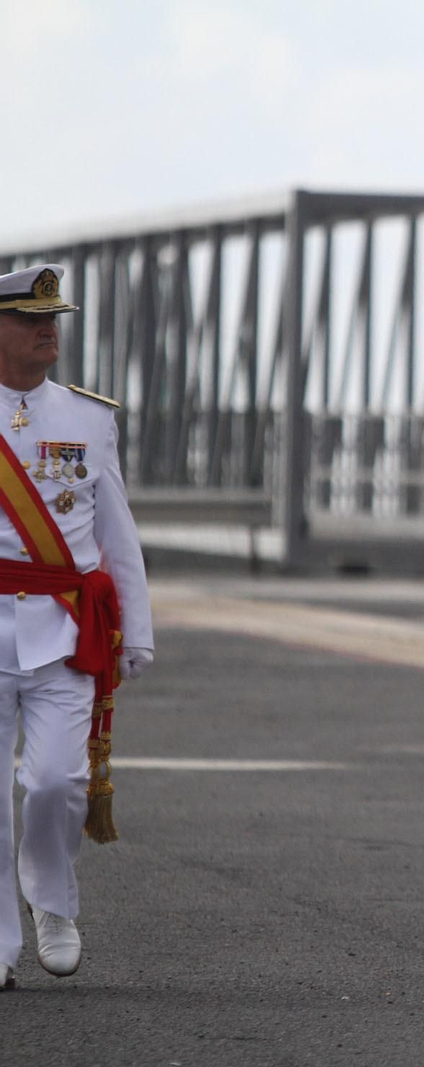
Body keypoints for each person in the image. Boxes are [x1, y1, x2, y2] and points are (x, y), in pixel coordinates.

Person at [0, 264, 153, 990]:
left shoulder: (90, 419)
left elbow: (116, 533)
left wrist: (137, 630)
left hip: (63, 631)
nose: (47, 331)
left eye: (52, 319)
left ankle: (51, 901)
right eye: (30, 320)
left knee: (58, 781)